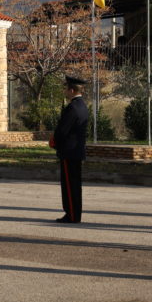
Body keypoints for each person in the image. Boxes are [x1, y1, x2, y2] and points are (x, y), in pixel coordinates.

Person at [52, 75, 88, 223]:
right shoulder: (82, 106)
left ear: (72, 90)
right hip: (77, 151)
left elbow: (62, 130)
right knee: (75, 185)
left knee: (69, 186)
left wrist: (55, 142)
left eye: (66, 89)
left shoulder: (72, 107)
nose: (65, 92)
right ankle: (75, 214)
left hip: (69, 152)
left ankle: (71, 214)